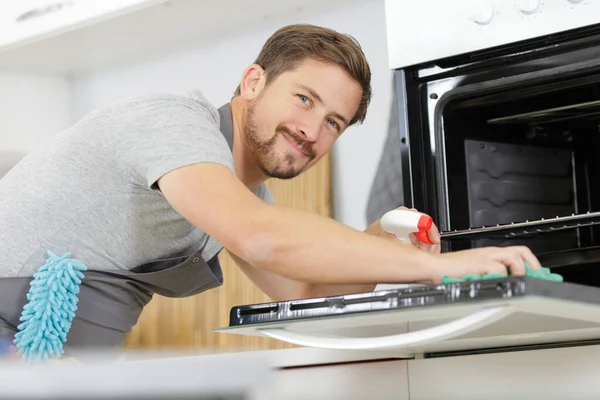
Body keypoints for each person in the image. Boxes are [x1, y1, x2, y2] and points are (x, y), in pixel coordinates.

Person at [0, 24, 542, 357]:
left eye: (334, 122)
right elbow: (261, 237)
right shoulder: (171, 123)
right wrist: (441, 268)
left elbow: (301, 290)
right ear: (254, 81)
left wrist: (378, 243)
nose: (312, 130)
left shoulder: (238, 194)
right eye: (304, 99)